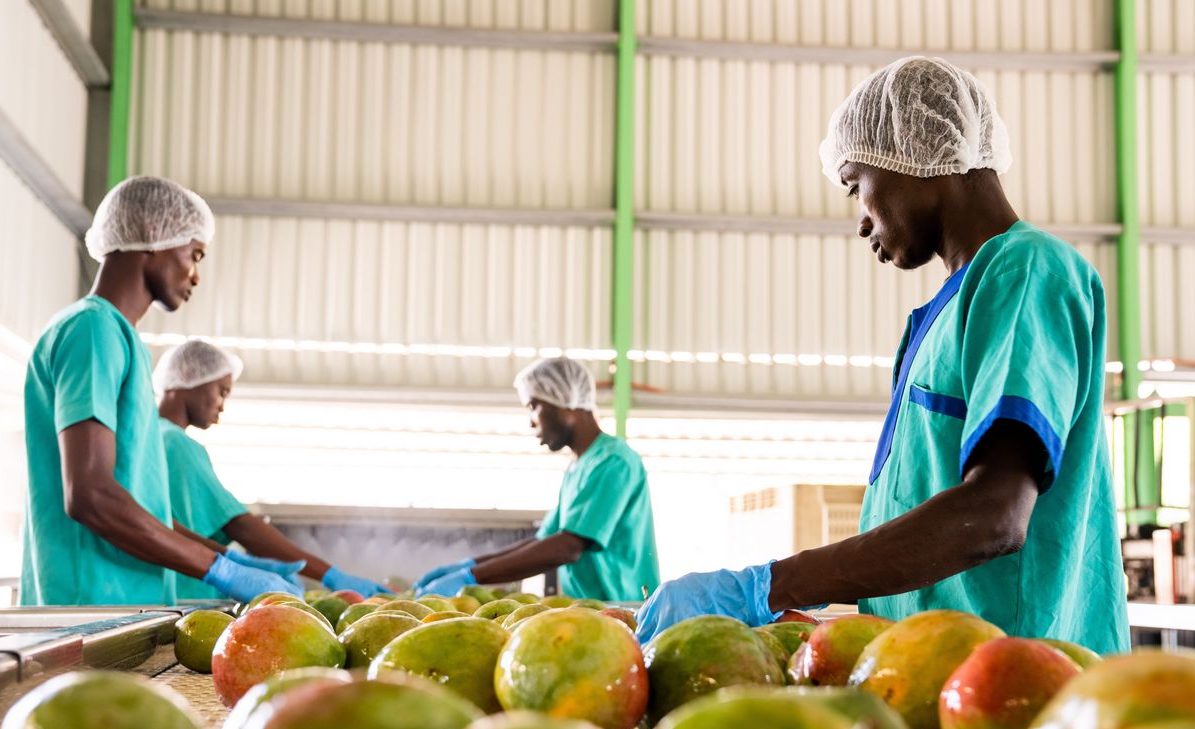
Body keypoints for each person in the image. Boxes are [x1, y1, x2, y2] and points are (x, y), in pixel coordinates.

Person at [634, 57, 1129, 655]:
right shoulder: (944, 315)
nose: (861, 220)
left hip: (1024, 681)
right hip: (932, 676)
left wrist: (767, 586)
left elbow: (994, 515)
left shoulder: (1025, 272)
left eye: (856, 185)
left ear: (917, 158)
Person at [21, 176, 301, 605]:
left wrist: (226, 557)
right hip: (87, 605)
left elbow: (142, 508)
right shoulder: (92, 330)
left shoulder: (121, 339)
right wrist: (216, 569)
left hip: (125, 605)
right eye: (194, 254)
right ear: (153, 236)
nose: (196, 275)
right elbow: (91, 495)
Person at [153, 338, 389, 599]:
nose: (222, 405)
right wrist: (329, 574)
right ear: (188, 375)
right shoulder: (176, 443)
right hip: (186, 595)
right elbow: (240, 526)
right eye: (221, 391)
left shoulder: (146, 438)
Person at [413, 357, 661, 602]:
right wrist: (467, 567)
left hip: (626, 609)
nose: (531, 421)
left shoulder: (614, 462)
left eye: (533, 406)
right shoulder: (578, 467)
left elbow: (568, 547)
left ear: (566, 401)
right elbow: (544, 540)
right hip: (593, 610)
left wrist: (472, 577)